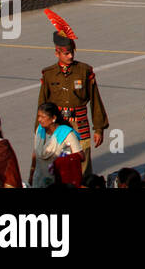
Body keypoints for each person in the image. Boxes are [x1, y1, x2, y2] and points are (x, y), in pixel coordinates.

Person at [37, 20, 107, 175]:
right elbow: (42, 104)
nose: (70, 56)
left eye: (72, 52)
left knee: (83, 163)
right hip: (58, 125)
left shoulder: (84, 71)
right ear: (57, 53)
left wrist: (99, 128)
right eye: (66, 53)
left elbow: (96, 101)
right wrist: (40, 130)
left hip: (80, 123)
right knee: (59, 164)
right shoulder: (49, 74)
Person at [28, 102, 83, 188]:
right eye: (38, 116)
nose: (39, 119)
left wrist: (64, 159)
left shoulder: (67, 133)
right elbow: (35, 153)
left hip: (58, 181)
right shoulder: (39, 130)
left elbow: (81, 156)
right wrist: (31, 173)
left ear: (53, 118)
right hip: (39, 180)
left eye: (43, 117)